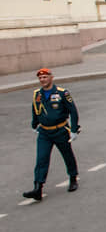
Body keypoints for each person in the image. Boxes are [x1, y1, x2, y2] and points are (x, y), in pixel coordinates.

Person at [25, 68, 80, 200]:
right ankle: (38, 187)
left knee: (67, 154)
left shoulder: (62, 93)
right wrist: (34, 124)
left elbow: (73, 111)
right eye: (40, 78)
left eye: (45, 77)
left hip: (60, 130)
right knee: (41, 158)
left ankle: (73, 178)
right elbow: (35, 110)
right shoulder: (37, 94)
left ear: (51, 77)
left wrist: (73, 129)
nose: (42, 80)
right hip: (44, 132)